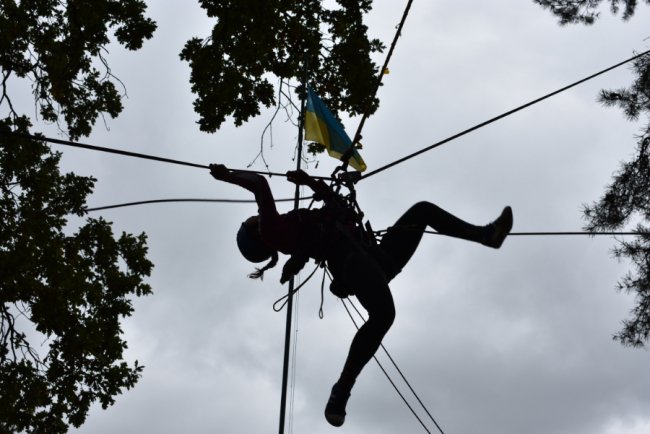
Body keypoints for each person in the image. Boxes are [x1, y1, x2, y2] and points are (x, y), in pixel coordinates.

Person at [209, 164, 513, 427]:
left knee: (422, 210)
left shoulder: (289, 223)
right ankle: (341, 390)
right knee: (384, 315)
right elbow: (259, 184)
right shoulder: (274, 231)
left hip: (375, 256)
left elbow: (333, 204)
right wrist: (226, 176)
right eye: (248, 223)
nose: (251, 218)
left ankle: (485, 236)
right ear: (254, 235)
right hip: (353, 263)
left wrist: (310, 182)